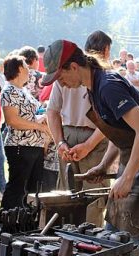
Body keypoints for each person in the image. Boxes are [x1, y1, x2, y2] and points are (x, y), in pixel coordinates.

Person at [41, 40, 139, 256]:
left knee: (134, 250)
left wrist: (128, 176)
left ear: (74, 66)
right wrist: (103, 165)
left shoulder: (109, 86)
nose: (60, 83)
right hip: (133, 164)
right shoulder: (94, 87)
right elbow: (120, 133)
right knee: (112, 241)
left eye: (61, 76)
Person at [46, 30, 111, 226]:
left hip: (84, 137)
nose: (63, 83)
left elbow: (52, 112)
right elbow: (52, 112)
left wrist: (62, 142)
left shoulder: (99, 78)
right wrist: (60, 143)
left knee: (88, 197)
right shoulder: (71, 72)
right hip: (88, 138)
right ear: (106, 50)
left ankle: (84, 243)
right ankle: (71, 241)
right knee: (79, 196)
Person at [0, 55, 50, 210]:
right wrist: (39, 126)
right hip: (20, 146)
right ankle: (6, 221)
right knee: (18, 187)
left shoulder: (23, 91)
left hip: (34, 145)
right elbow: (12, 120)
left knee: (31, 189)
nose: (29, 71)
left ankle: (25, 223)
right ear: (20, 69)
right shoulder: (10, 91)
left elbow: (30, 114)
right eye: (27, 68)